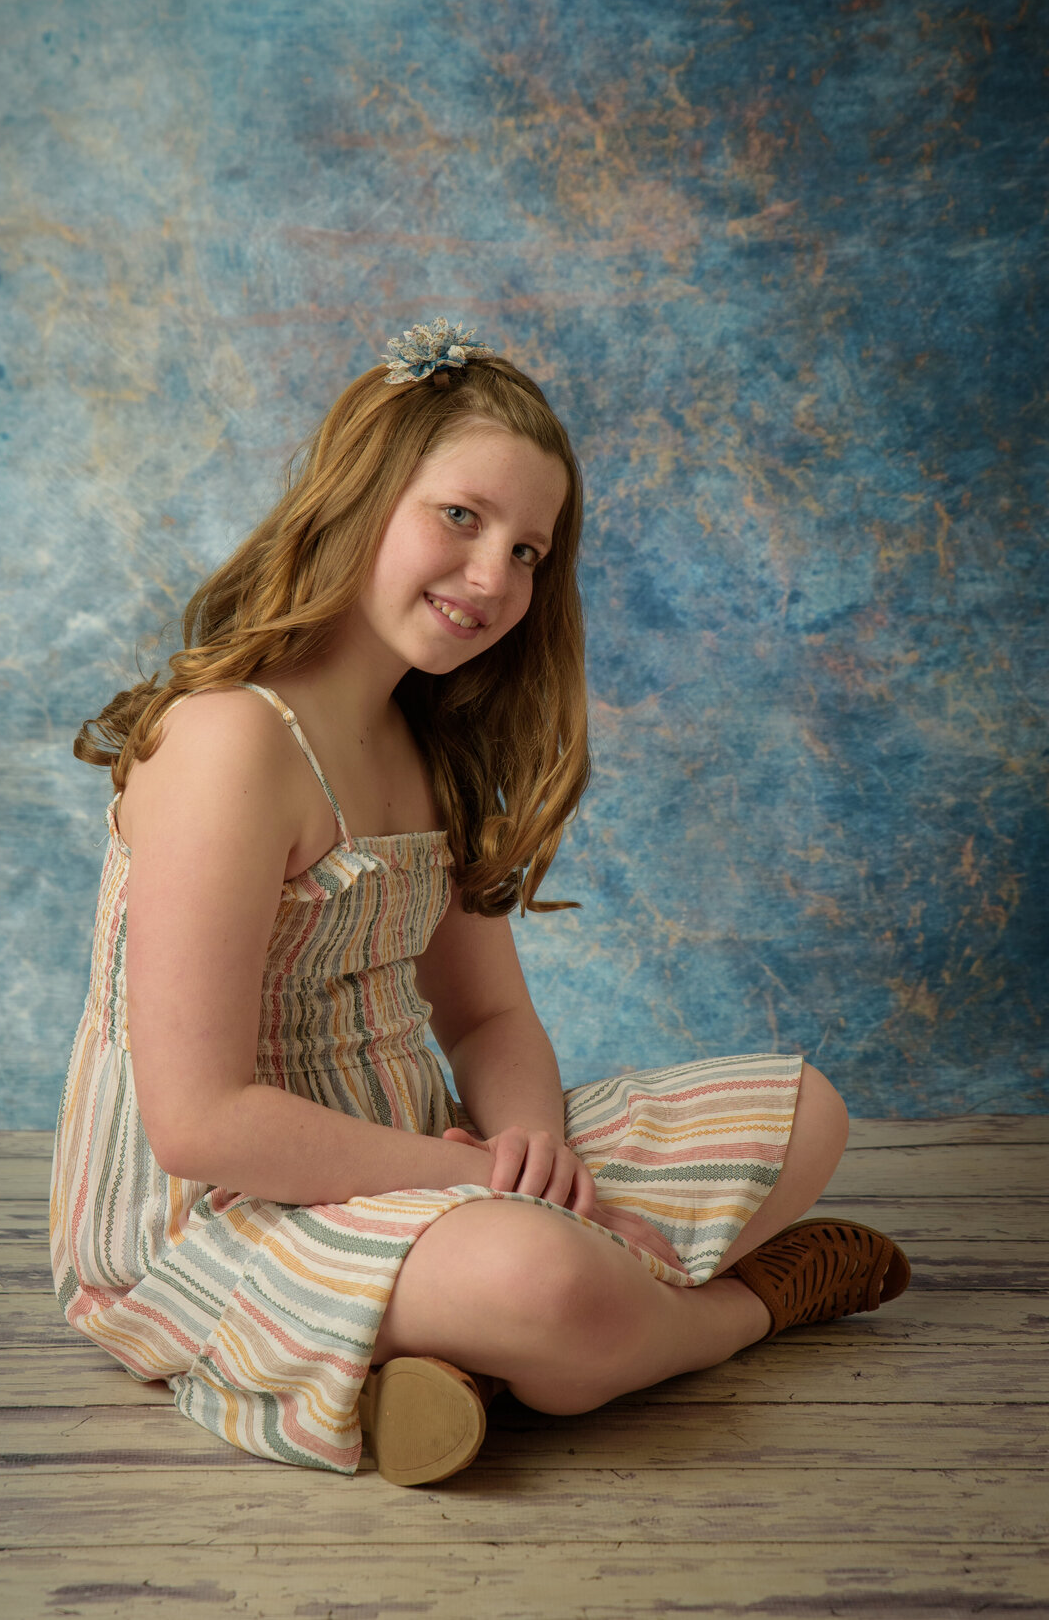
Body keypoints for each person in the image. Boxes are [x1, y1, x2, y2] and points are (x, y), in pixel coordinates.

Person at [49, 319, 909, 1487]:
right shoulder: (229, 744)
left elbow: (489, 1022)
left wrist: (538, 1156)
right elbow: (198, 1123)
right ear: (360, 497)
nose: (495, 575)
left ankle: (457, 1363)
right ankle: (743, 1310)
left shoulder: (431, 748)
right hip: (222, 1208)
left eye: (529, 553)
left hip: (424, 1155)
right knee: (544, 1277)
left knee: (808, 1111)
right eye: (462, 517)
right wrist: (494, 1193)